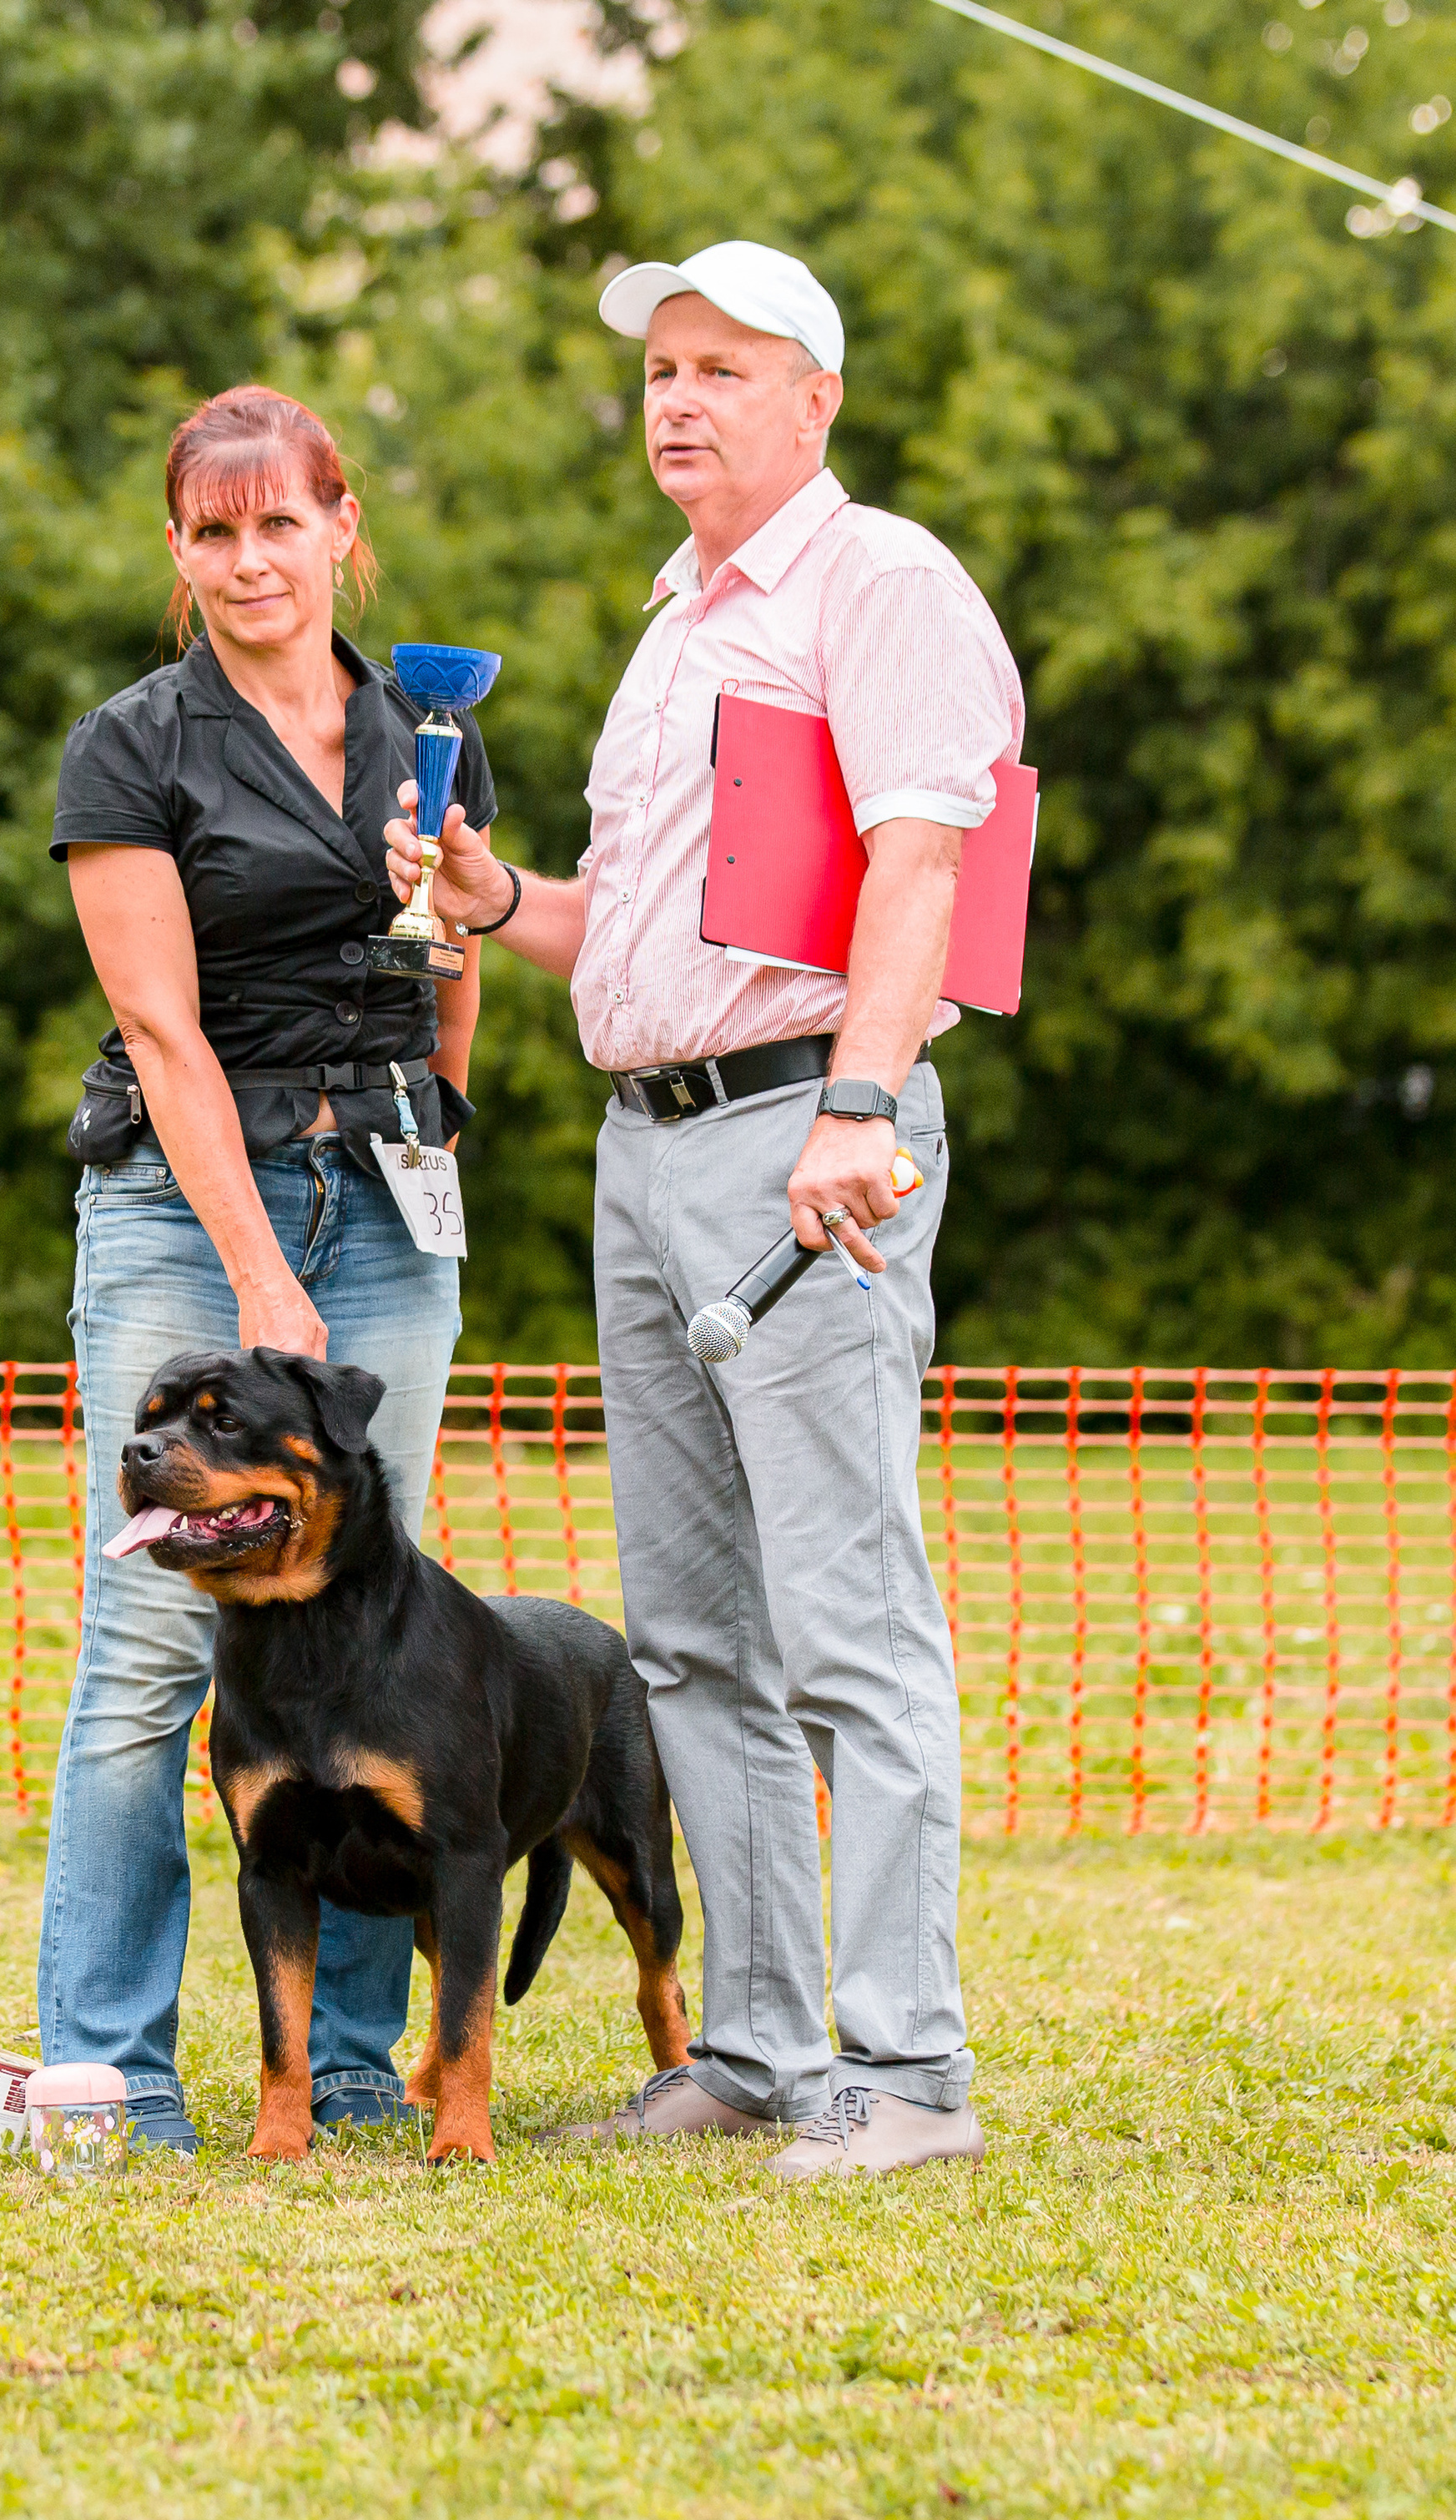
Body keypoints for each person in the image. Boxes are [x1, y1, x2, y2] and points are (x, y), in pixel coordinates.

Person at [386, 241, 1020, 2179]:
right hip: (642, 1144)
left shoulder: (878, 581)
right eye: (660, 370)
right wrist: (501, 901)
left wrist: (855, 1102)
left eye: (721, 369)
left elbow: (919, 862)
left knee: (844, 1618)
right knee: (687, 1638)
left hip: (797, 1136)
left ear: (812, 400)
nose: (676, 400)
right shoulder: (678, 622)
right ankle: (748, 2048)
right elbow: (643, 936)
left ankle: (904, 2075)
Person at [42, 385, 499, 2154]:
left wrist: (443, 1117)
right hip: (184, 1199)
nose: (251, 560)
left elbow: (457, 934)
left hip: (387, 1198)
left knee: (383, 1631)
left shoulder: (422, 724)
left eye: (279, 524)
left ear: (340, 528)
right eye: (213, 532)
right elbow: (158, 1032)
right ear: (180, 551)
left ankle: (365, 2072)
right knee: (155, 1645)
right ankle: (105, 2072)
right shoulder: (132, 746)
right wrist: (260, 1276)